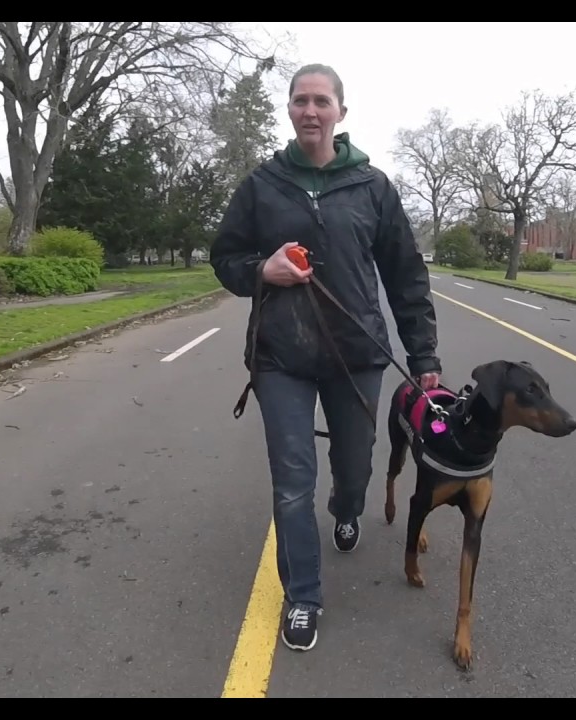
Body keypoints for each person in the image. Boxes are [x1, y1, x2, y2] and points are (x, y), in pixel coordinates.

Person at [209, 63, 442, 652]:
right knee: (292, 482)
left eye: (320, 101)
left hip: (357, 354)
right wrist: (262, 269)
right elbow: (225, 257)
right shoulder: (263, 183)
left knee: (356, 465)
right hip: (280, 357)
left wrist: (424, 356)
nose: (309, 110)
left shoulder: (373, 187)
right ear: (289, 111)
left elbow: (406, 276)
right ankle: (304, 596)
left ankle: (346, 506)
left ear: (340, 111)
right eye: (299, 101)